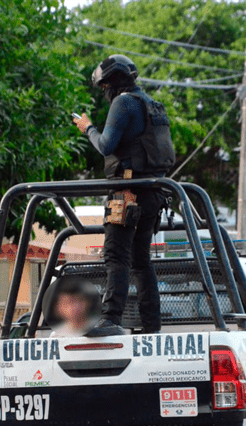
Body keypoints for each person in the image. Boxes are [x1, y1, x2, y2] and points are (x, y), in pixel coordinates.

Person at [72, 54, 175, 335]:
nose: (105, 92)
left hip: (127, 194)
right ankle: (152, 325)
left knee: (116, 256)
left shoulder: (124, 102)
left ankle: (111, 319)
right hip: (153, 193)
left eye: (104, 86)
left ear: (113, 82)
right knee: (141, 261)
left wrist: (87, 127)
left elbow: (106, 146)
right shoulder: (152, 105)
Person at [42, 276, 110, 337]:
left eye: (80, 301)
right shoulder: (56, 336)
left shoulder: (103, 331)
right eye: (68, 303)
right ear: (59, 308)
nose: (75, 307)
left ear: (88, 303)